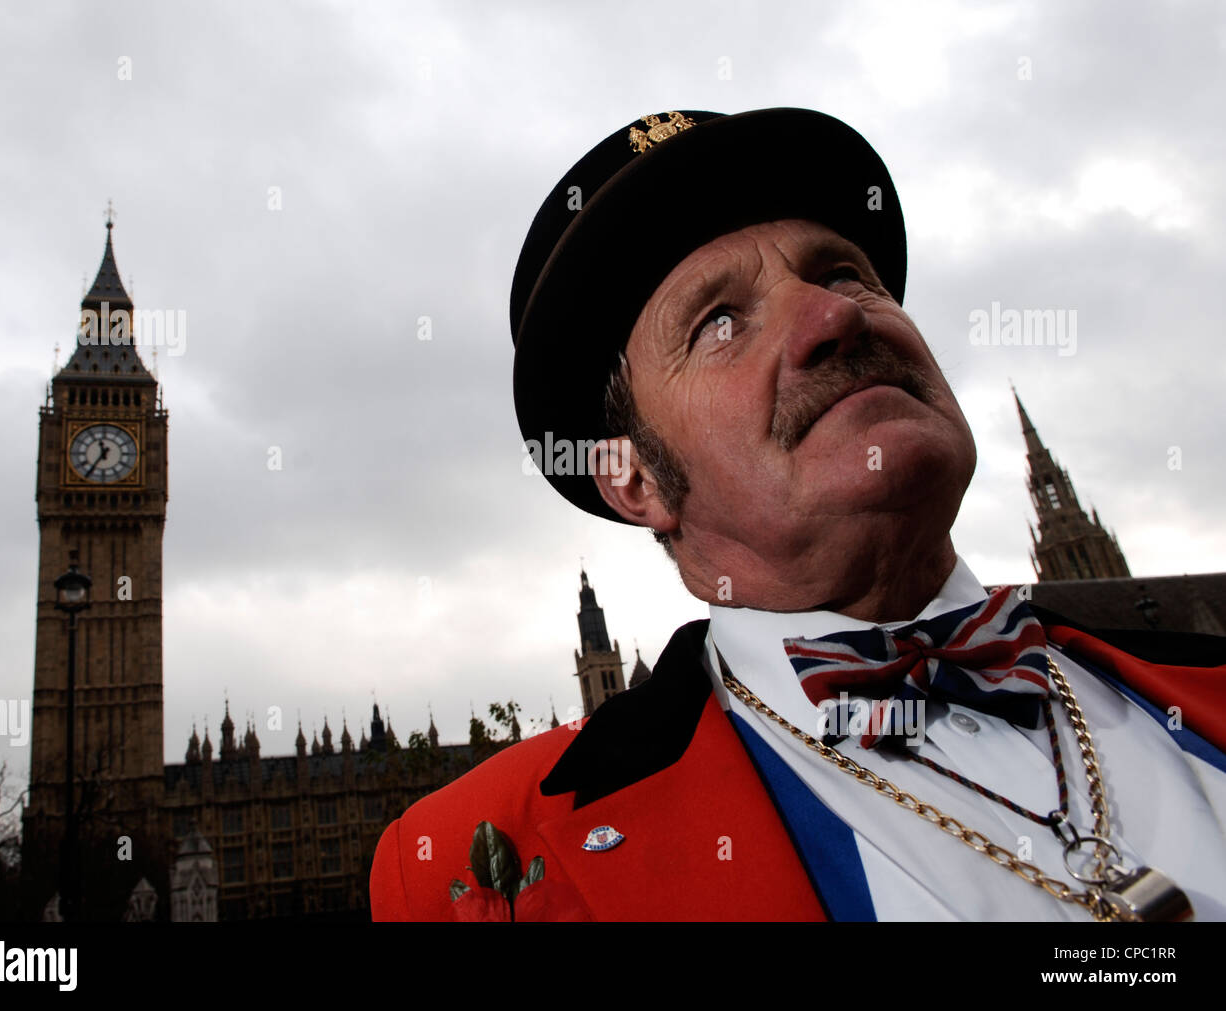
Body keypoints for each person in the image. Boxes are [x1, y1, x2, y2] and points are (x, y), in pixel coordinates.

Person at [370, 108, 1226, 921]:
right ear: (634, 479)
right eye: (718, 323)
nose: (835, 315)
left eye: (843, 273)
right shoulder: (475, 858)